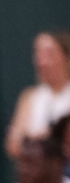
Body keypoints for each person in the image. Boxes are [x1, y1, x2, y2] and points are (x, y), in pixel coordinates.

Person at [5, 31, 70, 159]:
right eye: (38, 53)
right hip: (40, 169)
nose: (42, 62)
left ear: (65, 57)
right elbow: (13, 146)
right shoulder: (29, 97)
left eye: (49, 54)